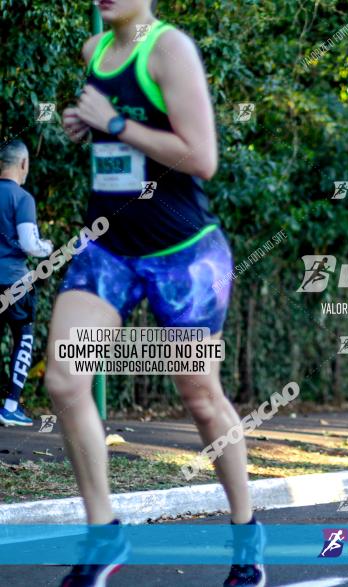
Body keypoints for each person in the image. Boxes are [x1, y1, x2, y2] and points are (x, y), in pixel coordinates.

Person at [55, 1, 264, 585]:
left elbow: (202, 157)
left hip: (184, 253)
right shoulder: (94, 51)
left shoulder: (170, 49)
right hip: (107, 245)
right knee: (65, 378)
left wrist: (117, 124)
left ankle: (246, 536)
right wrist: (88, 126)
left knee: (200, 399)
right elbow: (116, 140)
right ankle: (104, 534)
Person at [0, 140, 53, 427]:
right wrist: (48, 246)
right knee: (23, 337)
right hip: (14, 282)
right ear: (23, 164)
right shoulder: (22, 198)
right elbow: (30, 244)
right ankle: (10, 406)